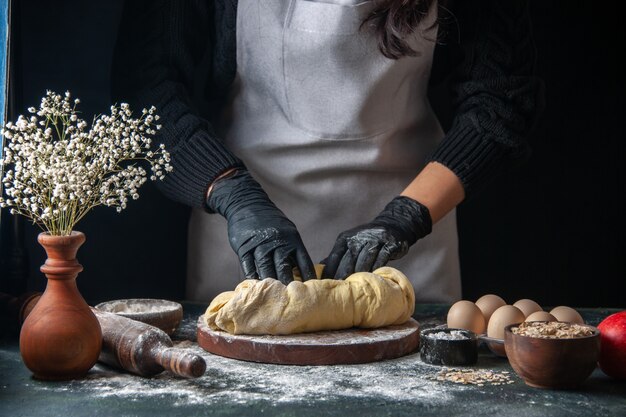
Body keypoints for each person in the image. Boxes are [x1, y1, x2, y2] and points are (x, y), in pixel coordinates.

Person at [112, 0, 542, 303]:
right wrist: (234, 196)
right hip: (245, 242)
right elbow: (146, 89)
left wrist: (406, 216)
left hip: (410, 245)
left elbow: (501, 99)